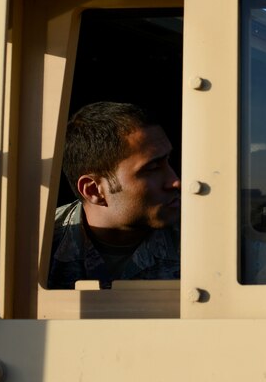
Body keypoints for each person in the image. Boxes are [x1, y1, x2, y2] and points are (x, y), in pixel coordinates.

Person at [47, 102, 181, 289]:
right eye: (152, 168)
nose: (175, 181)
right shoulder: (36, 248)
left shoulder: (203, 236)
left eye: (168, 161)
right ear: (94, 190)